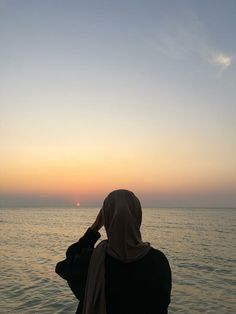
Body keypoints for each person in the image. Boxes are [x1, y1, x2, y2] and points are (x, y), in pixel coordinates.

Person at [56, 189, 172, 314]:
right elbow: (163, 303)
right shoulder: (158, 261)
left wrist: (95, 227)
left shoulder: (92, 261)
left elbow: (64, 266)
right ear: (137, 216)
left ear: (106, 218)